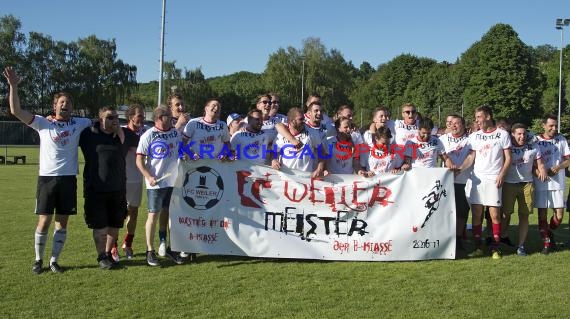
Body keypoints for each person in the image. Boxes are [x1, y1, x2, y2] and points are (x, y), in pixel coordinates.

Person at [4, 66, 93, 274]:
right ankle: (38, 260)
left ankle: (54, 260)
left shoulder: (80, 123)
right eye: (62, 102)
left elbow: (106, 122)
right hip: (47, 179)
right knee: (44, 221)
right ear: (55, 106)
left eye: (69, 103)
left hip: (69, 179)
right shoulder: (43, 123)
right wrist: (13, 87)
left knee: (62, 223)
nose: (66, 105)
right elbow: (16, 111)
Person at [79, 106, 138, 269]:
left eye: (116, 118)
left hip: (118, 188)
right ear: (100, 119)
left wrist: (121, 133)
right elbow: (66, 135)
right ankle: (101, 257)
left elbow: (147, 141)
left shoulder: (125, 134)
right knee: (100, 226)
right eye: (110, 117)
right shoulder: (88, 134)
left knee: (115, 225)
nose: (114, 120)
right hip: (95, 189)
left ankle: (108, 255)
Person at [459, 105, 511, 259]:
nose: (477, 121)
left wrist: (502, 174)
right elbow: (471, 158)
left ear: (488, 116)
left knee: (495, 214)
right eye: (476, 118)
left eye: (479, 117)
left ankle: (496, 247)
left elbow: (508, 158)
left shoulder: (502, 134)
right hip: (477, 180)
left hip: (494, 179)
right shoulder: (475, 136)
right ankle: (478, 247)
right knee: (476, 214)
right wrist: (459, 169)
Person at [136, 105, 184, 266]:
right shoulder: (148, 135)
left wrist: (191, 155)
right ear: (159, 118)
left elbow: (181, 150)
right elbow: (139, 160)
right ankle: (150, 251)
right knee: (153, 216)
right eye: (169, 116)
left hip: (173, 182)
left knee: (170, 215)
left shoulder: (175, 133)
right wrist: (148, 177)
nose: (172, 119)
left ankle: (172, 248)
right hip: (155, 184)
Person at [500, 123, 547, 256]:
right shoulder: (507, 146)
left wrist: (542, 170)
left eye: (524, 134)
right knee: (506, 214)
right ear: (513, 134)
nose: (522, 136)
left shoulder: (533, 146)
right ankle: (500, 237)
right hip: (509, 183)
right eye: (519, 134)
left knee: (524, 216)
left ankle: (521, 246)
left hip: (527, 184)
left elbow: (540, 162)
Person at [533, 114, 570, 254]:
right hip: (541, 183)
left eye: (555, 126)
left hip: (558, 183)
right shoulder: (535, 140)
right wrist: (539, 172)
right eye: (551, 126)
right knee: (542, 214)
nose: (554, 128)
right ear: (543, 125)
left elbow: (568, 160)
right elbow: (530, 162)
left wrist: (559, 167)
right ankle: (546, 244)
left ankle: (548, 231)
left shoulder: (561, 139)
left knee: (559, 216)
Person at [115, 104, 148, 260]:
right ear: (131, 117)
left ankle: (128, 244)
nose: (142, 118)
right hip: (121, 179)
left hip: (137, 179)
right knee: (118, 214)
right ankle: (113, 246)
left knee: (133, 213)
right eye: (139, 115)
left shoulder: (146, 132)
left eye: (143, 115)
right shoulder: (121, 131)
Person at [439, 114, 472, 251]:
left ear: (464, 125)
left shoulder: (471, 139)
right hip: (446, 181)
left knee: (462, 211)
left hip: (464, 181)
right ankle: (445, 237)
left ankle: (458, 238)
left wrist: (460, 169)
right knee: (444, 211)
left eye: (457, 123)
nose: (453, 125)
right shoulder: (442, 139)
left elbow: (471, 156)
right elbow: (436, 153)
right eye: (451, 123)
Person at [271, 107, 325, 177]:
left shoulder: (312, 132)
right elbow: (274, 151)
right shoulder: (281, 134)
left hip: (305, 177)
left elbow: (322, 152)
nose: (304, 121)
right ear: (291, 121)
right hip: (287, 176)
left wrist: (320, 168)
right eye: (300, 119)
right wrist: (274, 160)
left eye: (304, 118)